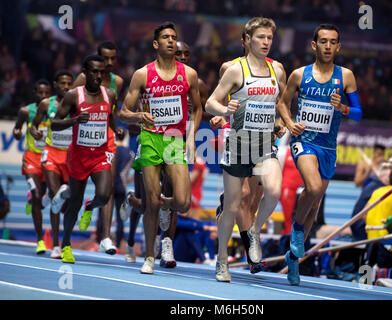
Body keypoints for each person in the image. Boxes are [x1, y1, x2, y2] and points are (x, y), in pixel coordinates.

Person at [276, 24, 362, 285]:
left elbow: (358, 113)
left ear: (338, 46)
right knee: (312, 188)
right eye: (322, 41)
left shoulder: (346, 76)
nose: (327, 46)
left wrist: (344, 108)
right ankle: (298, 231)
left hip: (328, 148)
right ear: (314, 45)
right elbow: (282, 102)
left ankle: (293, 258)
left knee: (315, 202)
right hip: (304, 142)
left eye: (332, 42)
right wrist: (290, 124)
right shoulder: (299, 75)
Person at [205, 17, 285, 282]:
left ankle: (253, 232)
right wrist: (223, 111)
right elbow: (210, 103)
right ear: (248, 40)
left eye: (270, 38)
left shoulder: (278, 70)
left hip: (264, 144)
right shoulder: (234, 69)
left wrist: (280, 123)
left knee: (272, 192)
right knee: (235, 204)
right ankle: (221, 263)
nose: (266, 42)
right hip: (238, 143)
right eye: (261, 37)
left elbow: (279, 105)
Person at [119, 22, 203, 274]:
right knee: (151, 203)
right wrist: (138, 117)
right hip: (150, 140)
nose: (170, 41)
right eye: (165, 37)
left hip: (175, 140)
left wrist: (191, 137)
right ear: (156, 44)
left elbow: (198, 108)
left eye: (173, 37)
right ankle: (148, 257)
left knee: (183, 202)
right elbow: (122, 111)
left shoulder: (188, 74)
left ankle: (168, 203)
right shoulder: (142, 74)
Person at [51, 55, 122, 263]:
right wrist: (74, 120)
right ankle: (65, 245)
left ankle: (90, 207)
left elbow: (110, 117)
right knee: (74, 202)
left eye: (101, 72)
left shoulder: (109, 94)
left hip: (99, 154)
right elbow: (55, 123)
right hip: (79, 156)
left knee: (104, 196)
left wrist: (116, 130)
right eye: (94, 71)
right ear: (85, 72)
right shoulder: (74, 95)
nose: (98, 76)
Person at [73, 41, 124, 254]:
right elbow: (69, 102)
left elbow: (115, 112)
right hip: (83, 140)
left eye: (113, 58)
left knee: (108, 188)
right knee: (78, 188)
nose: (110, 63)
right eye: (106, 59)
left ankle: (106, 238)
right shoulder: (84, 78)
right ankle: (86, 206)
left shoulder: (117, 82)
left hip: (107, 140)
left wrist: (128, 122)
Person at [30, 70, 74, 259]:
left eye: (69, 83)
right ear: (55, 85)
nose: (66, 86)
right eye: (62, 83)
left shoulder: (75, 103)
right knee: (57, 194)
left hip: (70, 156)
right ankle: (56, 245)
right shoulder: (46, 104)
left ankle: (49, 197)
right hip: (51, 153)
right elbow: (34, 125)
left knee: (64, 203)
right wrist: (35, 133)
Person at [12, 79, 51, 254]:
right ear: (35, 93)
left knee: (42, 201)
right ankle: (40, 240)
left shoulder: (54, 109)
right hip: (31, 158)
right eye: (40, 93)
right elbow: (17, 129)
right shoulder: (26, 111)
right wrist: (17, 133)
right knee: (37, 196)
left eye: (46, 93)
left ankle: (32, 197)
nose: (43, 96)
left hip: (48, 157)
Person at [363, 168, 392, 269]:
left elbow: (364, 213)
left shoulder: (378, 191)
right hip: (386, 241)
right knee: (384, 274)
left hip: (370, 238)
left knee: (369, 273)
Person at [351, 162, 392, 241]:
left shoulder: (374, 184)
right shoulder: (378, 188)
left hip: (358, 225)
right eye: (389, 176)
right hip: (360, 228)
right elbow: (363, 214)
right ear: (381, 177)